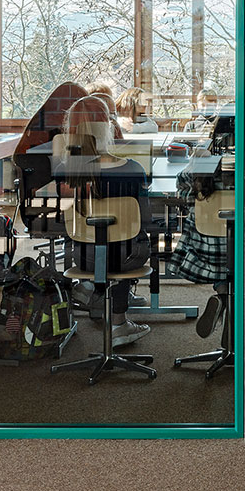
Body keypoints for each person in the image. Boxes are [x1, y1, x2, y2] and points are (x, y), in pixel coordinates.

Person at [59, 93, 154, 348]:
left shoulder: (68, 173)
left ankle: (91, 286)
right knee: (127, 240)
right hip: (127, 256)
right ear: (109, 125)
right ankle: (119, 322)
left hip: (84, 256)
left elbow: (65, 221)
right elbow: (144, 219)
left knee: (106, 245)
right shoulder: (132, 169)